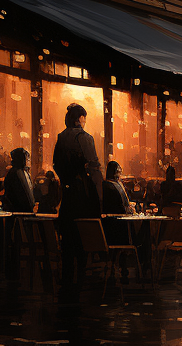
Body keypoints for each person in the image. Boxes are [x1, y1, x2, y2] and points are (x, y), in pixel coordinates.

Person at [53, 102, 103, 285]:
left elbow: (56, 165)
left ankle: (67, 280)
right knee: (83, 238)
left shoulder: (61, 138)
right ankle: (82, 279)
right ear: (79, 119)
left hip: (67, 196)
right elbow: (94, 166)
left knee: (67, 241)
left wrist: (66, 180)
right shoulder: (85, 138)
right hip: (83, 195)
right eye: (84, 119)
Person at [3, 148, 35, 213]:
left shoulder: (23, 172)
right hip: (18, 212)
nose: (26, 161)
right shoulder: (15, 173)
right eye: (25, 158)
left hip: (25, 211)